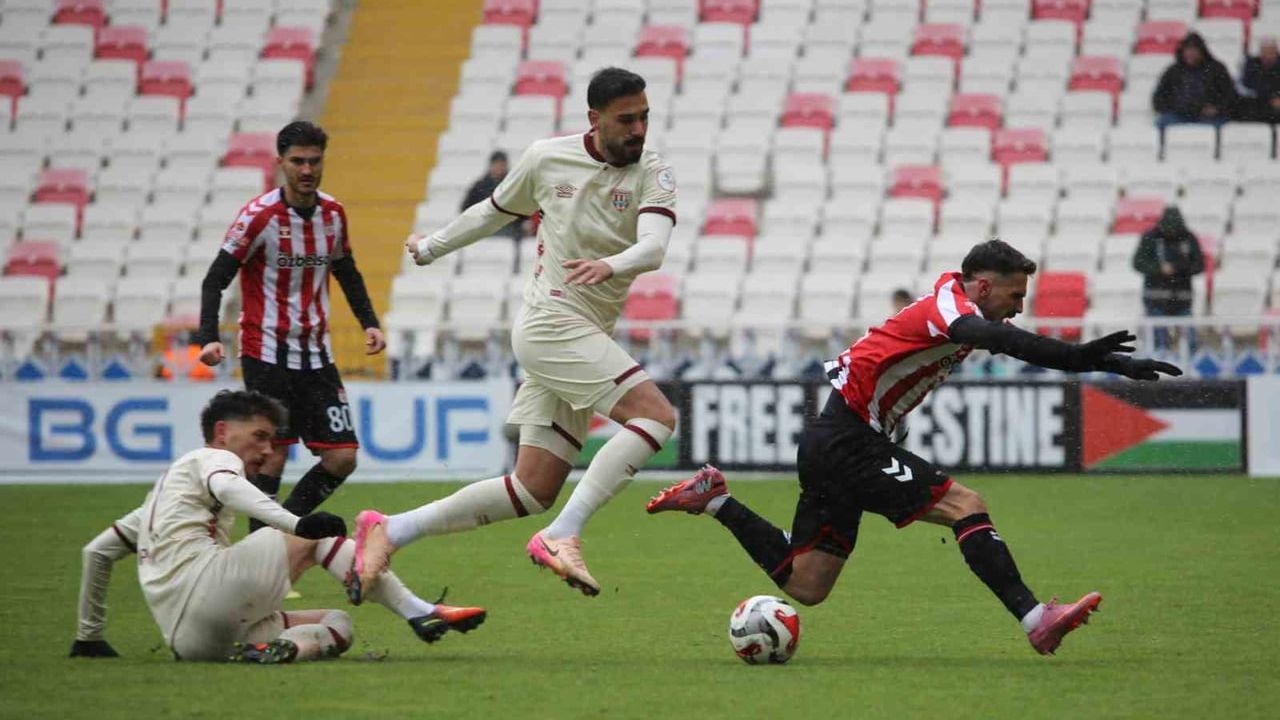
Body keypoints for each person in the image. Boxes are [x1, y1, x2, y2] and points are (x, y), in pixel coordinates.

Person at [647, 240, 1182, 656]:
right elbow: (1004, 341)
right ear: (982, 286)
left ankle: (716, 498)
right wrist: (1084, 357)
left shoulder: (959, 310)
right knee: (965, 505)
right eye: (1015, 296)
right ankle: (1035, 619)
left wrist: (1109, 363)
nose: (1019, 308)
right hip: (847, 438)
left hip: (833, 438)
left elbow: (1008, 341)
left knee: (807, 584)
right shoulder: (949, 308)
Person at [348, 67, 680, 599]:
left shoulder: (653, 171)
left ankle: (391, 529)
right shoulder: (547, 158)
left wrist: (610, 265)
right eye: (626, 120)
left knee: (532, 488)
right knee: (657, 417)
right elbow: (492, 212)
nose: (638, 129)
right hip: (551, 324)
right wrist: (431, 247)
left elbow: (654, 248)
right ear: (594, 119)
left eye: (644, 117)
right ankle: (563, 534)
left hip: (583, 331)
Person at [71, 389, 485, 663]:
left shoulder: (159, 503)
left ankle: (286, 649)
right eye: (260, 436)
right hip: (208, 591)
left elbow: (97, 552)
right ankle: (418, 611)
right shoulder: (212, 458)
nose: (268, 450)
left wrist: (89, 636)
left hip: (193, 643)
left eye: (271, 440)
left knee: (337, 624)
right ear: (222, 432)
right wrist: (297, 523)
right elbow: (227, 486)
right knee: (319, 537)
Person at [194, 121, 386, 531]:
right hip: (266, 353)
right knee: (272, 455)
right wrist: (208, 336)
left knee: (343, 457)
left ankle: (283, 530)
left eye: (314, 161)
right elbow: (215, 279)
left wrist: (369, 322)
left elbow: (346, 270)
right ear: (280, 162)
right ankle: (263, 547)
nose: (307, 170)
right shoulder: (258, 216)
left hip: (317, 355)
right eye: (298, 161)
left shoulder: (333, 214)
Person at [1132, 206, 1204, 351]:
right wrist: (1159, 269)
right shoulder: (1150, 237)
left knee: (1189, 343)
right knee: (1159, 344)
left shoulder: (1188, 238)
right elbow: (1138, 263)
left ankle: (1188, 362)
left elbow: (1199, 265)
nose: (1171, 233)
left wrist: (1179, 268)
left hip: (1182, 299)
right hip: (1156, 300)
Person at [1152, 32, 1238, 130]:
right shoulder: (1173, 71)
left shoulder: (1216, 69)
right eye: (1187, 49)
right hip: (1178, 115)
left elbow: (1230, 95)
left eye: (1194, 49)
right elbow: (1159, 97)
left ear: (1202, 51)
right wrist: (1174, 108)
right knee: (1161, 123)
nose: (1190, 53)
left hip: (1208, 117)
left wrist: (1217, 109)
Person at [461, 151, 521, 240]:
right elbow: (465, 209)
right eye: (497, 164)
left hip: (508, 229)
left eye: (502, 165)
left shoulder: (513, 185)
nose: (499, 168)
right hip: (484, 229)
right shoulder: (480, 187)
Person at [1239, 36, 1280, 124]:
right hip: (1257, 104)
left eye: (1271, 52)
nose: (1268, 55)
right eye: (1265, 52)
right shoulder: (1252, 65)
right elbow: (1245, 85)